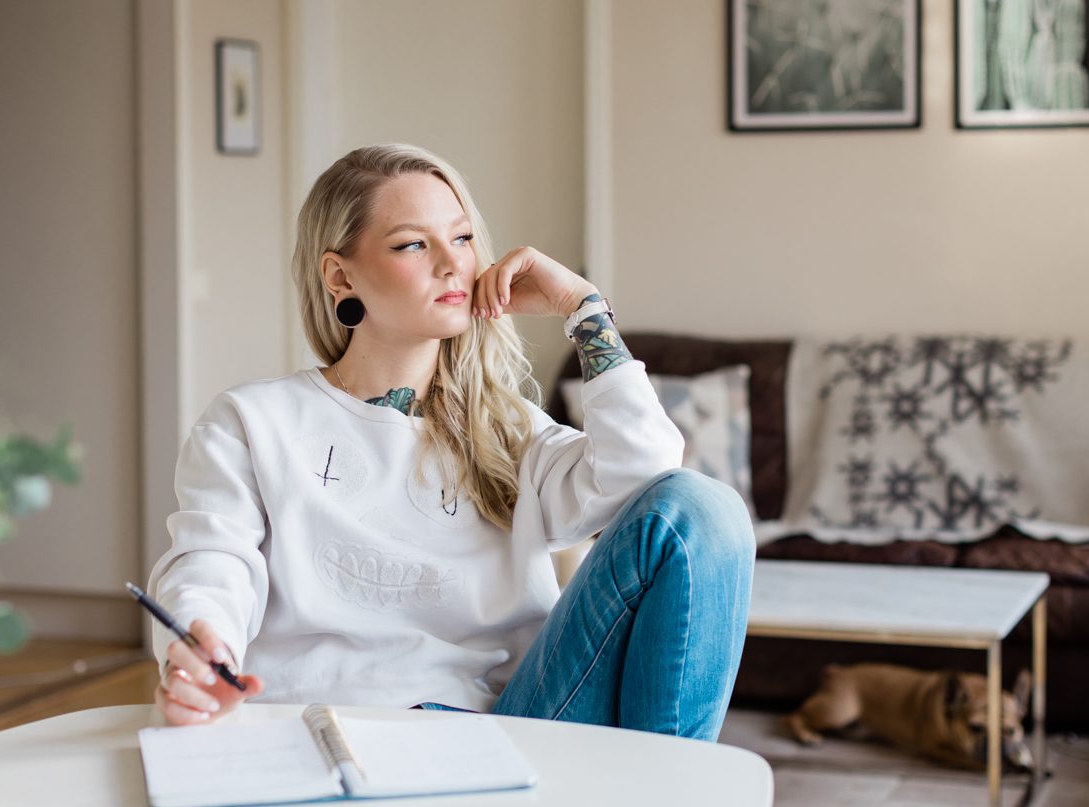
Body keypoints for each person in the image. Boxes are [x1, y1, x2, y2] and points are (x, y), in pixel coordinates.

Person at [150, 143, 754, 741]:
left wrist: (583, 310)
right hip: (327, 727)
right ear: (340, 275)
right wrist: (203, 643)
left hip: (510, 727)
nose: (452, 264)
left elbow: (649, 474)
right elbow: (213, 561)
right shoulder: (254, 421)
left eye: (462, 239)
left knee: (705, 508)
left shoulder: (508, 428)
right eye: (414, 243)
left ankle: (666, 794)